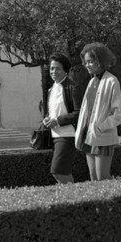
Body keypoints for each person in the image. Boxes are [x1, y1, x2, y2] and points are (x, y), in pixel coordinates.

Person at [75, 43, 121, 181]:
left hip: (103, 137)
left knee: (103, 179)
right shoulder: (92, 82)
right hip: (89, 136)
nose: (87, 65)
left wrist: (101, 127)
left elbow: (119, 115)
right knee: (93, 178)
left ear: (101, 61)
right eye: (86, 62)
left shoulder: (112, 81)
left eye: (91, 61)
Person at [43, 53, 83, 184]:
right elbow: (52, 112)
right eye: (51, 68)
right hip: (54, 135)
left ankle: (74, 198)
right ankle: (71, 199)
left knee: (58, 171)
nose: (53, 71)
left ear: (65, 70)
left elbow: (79, 113)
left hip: (68, 135)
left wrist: (57, 121)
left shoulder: (72, 87)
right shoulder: (51, 89)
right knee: (63, 172)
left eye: (57, 68)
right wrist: (47, 119)